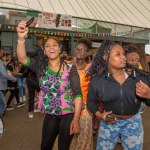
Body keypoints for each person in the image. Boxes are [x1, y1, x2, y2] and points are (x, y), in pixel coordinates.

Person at [16, 21, 82, 150]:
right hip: (50, 114)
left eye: (54, 45)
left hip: (68, 114)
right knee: (45, 146)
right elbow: (22, 59)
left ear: (60, 49)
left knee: (63, 147)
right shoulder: (40, 67)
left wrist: (76, 118)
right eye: (47, 46)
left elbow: (77, 93)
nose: (51, 47)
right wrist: (20, 38)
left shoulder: (70, 68)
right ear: (44, 51)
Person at [87, 40, 150, 150]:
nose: (123, 57)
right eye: (118, 54)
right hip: (109, 123)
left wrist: (149, 95)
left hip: (133, 123)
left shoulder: (138, 78)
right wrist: (99, 114)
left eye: (123, 53)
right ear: (106, 57)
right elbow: (91, 102)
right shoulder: (97, 81)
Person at [70, 39, 93, 150]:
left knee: (84, 135)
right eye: (78, 49)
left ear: (87, 53)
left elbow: (93, 89)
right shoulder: (67, 65)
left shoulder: (90, 69)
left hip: (85, 107)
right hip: (67, 106)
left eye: (83, 50)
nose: (80, 51)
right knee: (66, 135)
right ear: (75, 50)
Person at [0, 49, 16, 117]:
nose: (2, 53)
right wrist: (14, 79)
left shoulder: (2, 62)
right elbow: (5, 74)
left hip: (2, 86)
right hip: (0, 87)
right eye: (1, 52)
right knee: (3, 104)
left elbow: (6, 64)